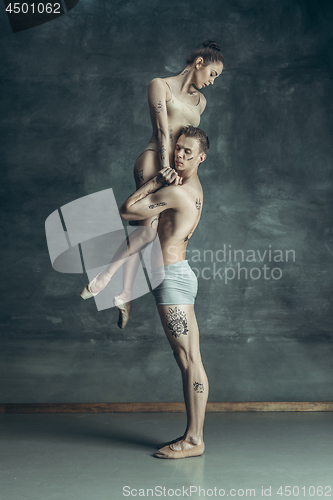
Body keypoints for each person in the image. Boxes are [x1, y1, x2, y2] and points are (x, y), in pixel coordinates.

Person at [80, 41, 224, 328]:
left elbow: (188, 141)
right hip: (153, 162)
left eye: (216, 78)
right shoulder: (160, 85)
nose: (212, 81)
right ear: (198, 62)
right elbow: (161, 130)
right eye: (212, 73)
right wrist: (166, 167)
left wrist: (183, 171)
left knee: (151, 235)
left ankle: (124, 293)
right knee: (146, 233)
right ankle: (106, 279)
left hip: (175, 171)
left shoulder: (201, 102)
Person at [119, 125, 209, 459]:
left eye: (188, 152)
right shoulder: (192, 186)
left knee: (189, 360)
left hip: (172, 278)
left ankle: (194, 440)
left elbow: (127, 212)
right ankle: (193, 435)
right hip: (175, 275)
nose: (179, 155)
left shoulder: (176, 191)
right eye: (178, 149)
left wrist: (154, 182)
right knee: (188, 359)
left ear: (201, 158)